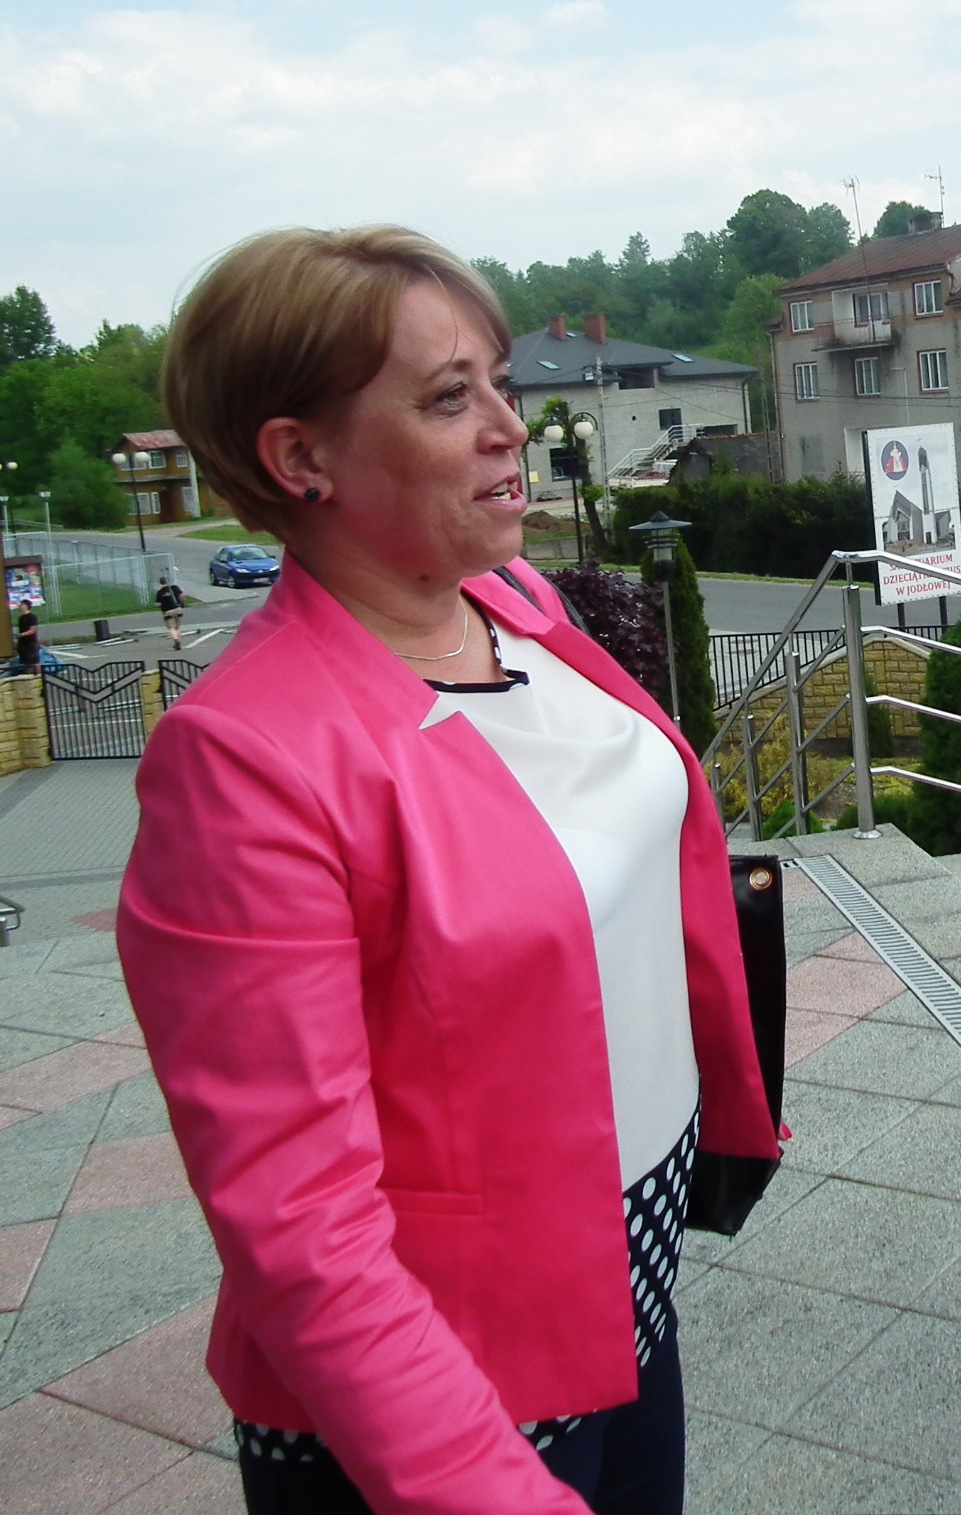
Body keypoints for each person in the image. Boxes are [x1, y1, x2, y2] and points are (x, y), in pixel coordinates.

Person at [116, 226, 779, 1515]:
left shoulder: (517, 605)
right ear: (298, 459)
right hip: (439, 1376)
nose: (507, 428)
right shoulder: (243, 760)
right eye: (444, 398)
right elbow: (297, 1223)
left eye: (499, 384)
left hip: (626, 1273)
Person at [156, 574, 186, 649]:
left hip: (167, 612)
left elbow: (158, 604)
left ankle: (175, 639)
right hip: (178, 609)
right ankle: (178, 640)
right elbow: (182, 596)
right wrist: (182, 603)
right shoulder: (174, 588)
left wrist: (162, 605)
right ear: (168, 581)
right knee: (178, 627)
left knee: (171, 627)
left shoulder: (160, 592)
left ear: (161, 583)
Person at [15, 598, 39, 667]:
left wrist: (21, 634)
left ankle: (38, 673)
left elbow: (33, 630)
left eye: (22, 605)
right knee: (26, 664)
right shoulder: (21, 618)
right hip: (22, 644)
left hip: (30, 643)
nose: (20, 606)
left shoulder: (32, 617)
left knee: (34, 662)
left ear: (27, 606)